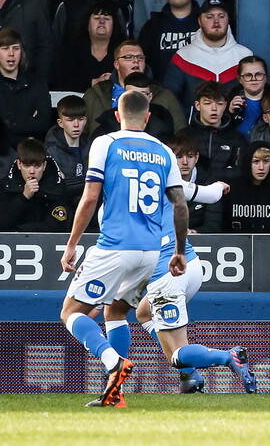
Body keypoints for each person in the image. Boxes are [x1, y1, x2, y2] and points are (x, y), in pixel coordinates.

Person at [59, 89, 189, 407]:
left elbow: (90, 197)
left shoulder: (106, 143)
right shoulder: (164, 152)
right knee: (115, 311)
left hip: (115, 246)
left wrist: (72, 244)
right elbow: (180, 205)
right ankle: (114, 393)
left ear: (117, 115)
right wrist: (179, 251)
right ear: (148, 117)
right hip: (151, 253)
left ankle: (112, 361)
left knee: (71, 312)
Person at [133, 166, 256, 395]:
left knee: (176, 354)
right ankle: (191, 378)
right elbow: (210, 194)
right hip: (191, 265)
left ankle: (228, 357)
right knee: (143, 313)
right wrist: (219, 186)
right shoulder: (167, 181)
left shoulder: (122, 194)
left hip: (167, 277)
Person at [163, 0, 252, 113]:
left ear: (228, 20)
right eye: (209, 17)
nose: (216, 21)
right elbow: (170, 100)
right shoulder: (183, 56)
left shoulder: (244, 56)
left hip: (235, 124)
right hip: (194, 124)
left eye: (221, 16)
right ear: (199, 21)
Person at [83, 40, 186, 137]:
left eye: (140, 58)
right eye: (128, 57)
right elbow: (81, 135)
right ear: (116, 64)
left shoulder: (165, 96)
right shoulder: (94, 94)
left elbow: (181, 135)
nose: (136, 61)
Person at [0, 138, 71, 231]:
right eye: (26, 166)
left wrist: (22, 231)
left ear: (44, 166)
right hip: (12, 239)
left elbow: (58, 225)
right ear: (19, 164)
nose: (32, 171)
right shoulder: (6, 185)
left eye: (37, 166)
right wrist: (24, 197)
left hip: (43, 239)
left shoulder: (56, 185)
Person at [51, 0, 127, 93]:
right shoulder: (69, 50)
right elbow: (61, 81)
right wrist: (93, 82)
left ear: (114, 25)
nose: (102, 21)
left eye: (107, 18)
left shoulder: (124, 51)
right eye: (96, 18)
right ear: (87, 24)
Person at [137, 0, 201, 80]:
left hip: (200, 88)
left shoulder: (205, 23)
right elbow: (143, 62)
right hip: (162, 88)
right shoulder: (153, 26)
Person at [0, 27, 50, 148]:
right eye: (5, 48)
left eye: (16, 48)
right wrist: (23, 137)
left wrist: (6, 124)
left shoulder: (36, 83)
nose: (11, 53)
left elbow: (43, 123)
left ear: (22, 52)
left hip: (28, 155)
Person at [177, 80, 246, 180]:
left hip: (226, 189)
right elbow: (177, 170)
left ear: (225, 106)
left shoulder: (236, 138)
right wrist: (225, 172)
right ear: (197, 105)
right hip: (193, 189)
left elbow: (239, 172)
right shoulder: (184, 135)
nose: (214, 108)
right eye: (208, 103)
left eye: (219, 103)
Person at [222, 140, 270, 232]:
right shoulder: (230, 189)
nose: (261, 167)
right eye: (256, 161)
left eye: (266, 161)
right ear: (247, 163)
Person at [92, 72, 177, 142]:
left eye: (142, 94)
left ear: (150, 97)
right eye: (132, 94)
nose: (137, 99)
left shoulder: (163, 119)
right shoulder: (107, 124)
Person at [167, 133, 223, 233]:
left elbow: (214, 224)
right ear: (169, 158)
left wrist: (194, 232)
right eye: (179, 157)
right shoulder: (161, 181)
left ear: (196, 158)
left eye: (190, 156)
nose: (185, 162)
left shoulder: (210, 182)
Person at [45, 94, 91, 204]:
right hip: (61, 205)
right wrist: (86, 182)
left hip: (87, 203)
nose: (76, 125)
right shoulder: (51, 150)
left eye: (80, 119)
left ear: (85, 121)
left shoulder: (91, 146)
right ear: (60, 123)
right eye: (70, 120)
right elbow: (56, 188)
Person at [226, 55, 270, 139]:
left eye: (259, 74)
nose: (253, 79)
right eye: (248, 75)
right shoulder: (227, 102)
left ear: (266, 78)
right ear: (239, 79)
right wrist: (229, 113)